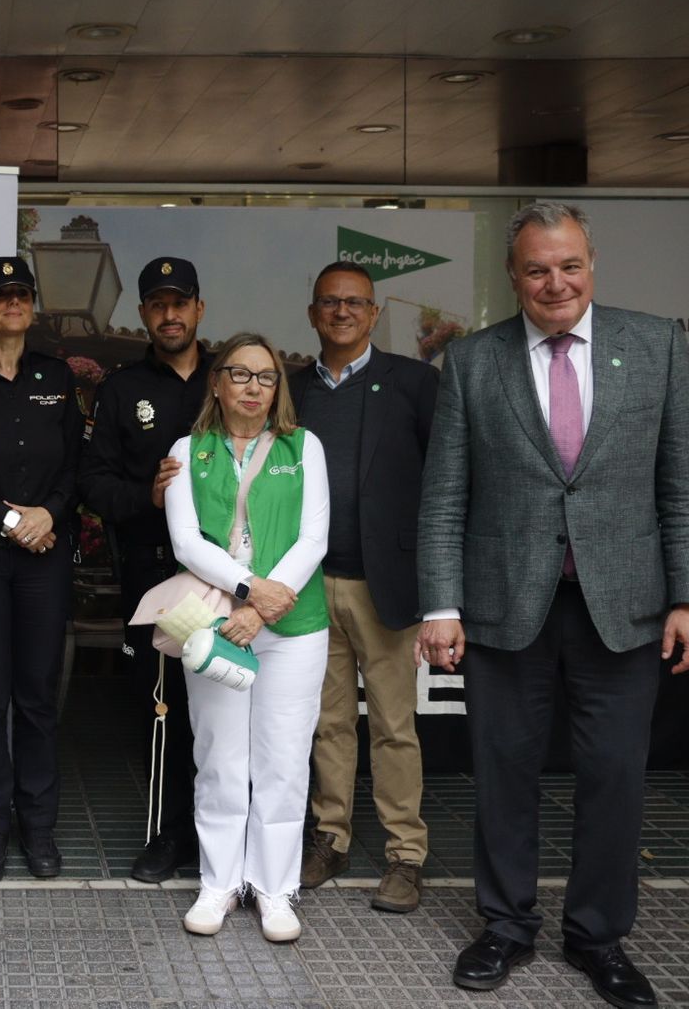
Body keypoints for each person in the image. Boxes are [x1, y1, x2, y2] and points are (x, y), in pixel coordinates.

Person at [416, 202, 689, 1007]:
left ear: (592, 263)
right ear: (514, 276)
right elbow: (443, 498)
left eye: (568, 265)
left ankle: (599, 936)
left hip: (625, 605)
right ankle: (505, 925)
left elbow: (678, 484)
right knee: (503, 771)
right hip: (504, 603)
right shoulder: (471, 362)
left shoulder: (658, 346)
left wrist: (685, 594)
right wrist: (440, 603)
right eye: (537, 268)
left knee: (615, 775)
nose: (554, 282)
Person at [164, 332, 329, 943]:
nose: (254, 387)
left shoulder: (304, 447)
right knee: (220, 758)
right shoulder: (187, 448)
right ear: (217, 382)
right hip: (210, 623)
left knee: (283, 761)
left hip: (294, 625)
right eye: (240, 374)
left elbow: (315, 537)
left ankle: (275, 888)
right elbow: (186, 541)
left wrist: (263, 606)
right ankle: (219, 883)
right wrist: (246, 591)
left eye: (266, 377)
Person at [289, 261, 436, 913]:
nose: (342, 311)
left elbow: (444, 483)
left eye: (355, 302)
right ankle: (331, 836)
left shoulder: (413, 383)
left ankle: (406, 854)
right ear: (313, 312)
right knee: (327, 722)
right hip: (311, 583)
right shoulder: (292, 391)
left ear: (375, 313)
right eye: (330, 301)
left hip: (387, 585)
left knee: (395, 725)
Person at [78, 256, 213, 884]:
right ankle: (169, 836)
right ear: (143, 314)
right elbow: (94, 484)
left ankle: (228, 838)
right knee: (165, 709)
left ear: (199, 309)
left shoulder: (232, 377)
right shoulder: (123, 388)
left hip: (234, 577)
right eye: (157, 304)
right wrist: (147, 497)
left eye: (179, 302)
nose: (169, 314)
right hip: (157, 577)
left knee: (233, 707)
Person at [0, 256, 82, 882]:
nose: (12, 303)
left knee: (36, 697)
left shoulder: (56, 376)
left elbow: (74, 468)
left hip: (45, 557)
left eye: (21, 293)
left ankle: (38, 826)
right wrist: (14, 521)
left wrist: (48, 515)